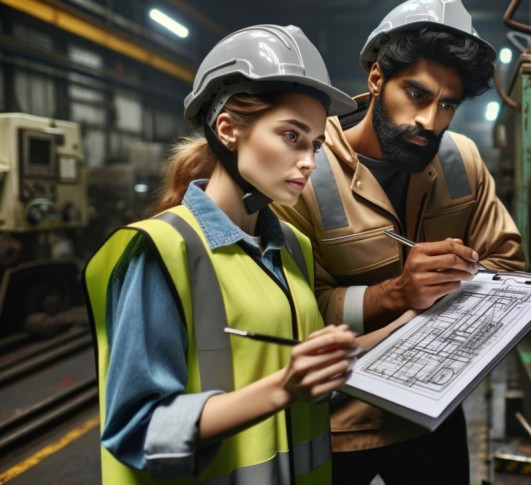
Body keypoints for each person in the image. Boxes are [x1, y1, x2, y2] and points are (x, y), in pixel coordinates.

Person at [83, 25, 361, 484]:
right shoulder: (162, 251)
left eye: (315, 144)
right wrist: (281, 389)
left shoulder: (294, 247)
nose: (310, 161)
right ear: (228, 129)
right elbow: (139, 429)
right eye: (292, 136)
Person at [273, 1, 526, 483]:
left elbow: (509, 265)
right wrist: (398, 293)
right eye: (416, 93)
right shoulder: (303, 168)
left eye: (448, 104)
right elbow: (291, 312)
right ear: (375, 79)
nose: (430, 121)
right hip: (337, 424)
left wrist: (465, 281)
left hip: (432, 412)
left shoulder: (462, 160)